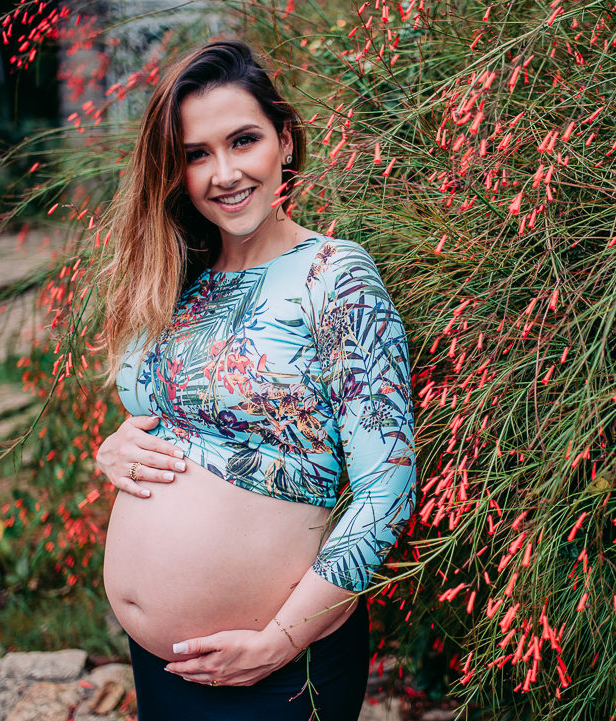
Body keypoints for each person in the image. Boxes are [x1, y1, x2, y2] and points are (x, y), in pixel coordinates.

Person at [93, 40, 417, 719]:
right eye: (195, 153)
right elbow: (160, 418)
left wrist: (278, 641)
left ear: (285, 140)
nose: (224, 172)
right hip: (158, 663)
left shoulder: (336, 276)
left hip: (275, 667)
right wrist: (115, 446)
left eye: (243, 140)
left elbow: (386, 489)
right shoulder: (181, 279)